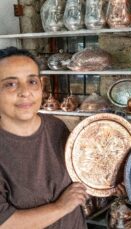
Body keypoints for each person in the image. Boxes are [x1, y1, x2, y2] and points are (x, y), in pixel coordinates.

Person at [0, 47, 89, 228]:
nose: (25, 92)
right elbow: (5, 223)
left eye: (32, 81)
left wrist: (109, 180)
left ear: (41, 86)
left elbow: (79, 174)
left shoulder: (57, 127)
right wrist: (61, 207)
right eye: (11, 84)